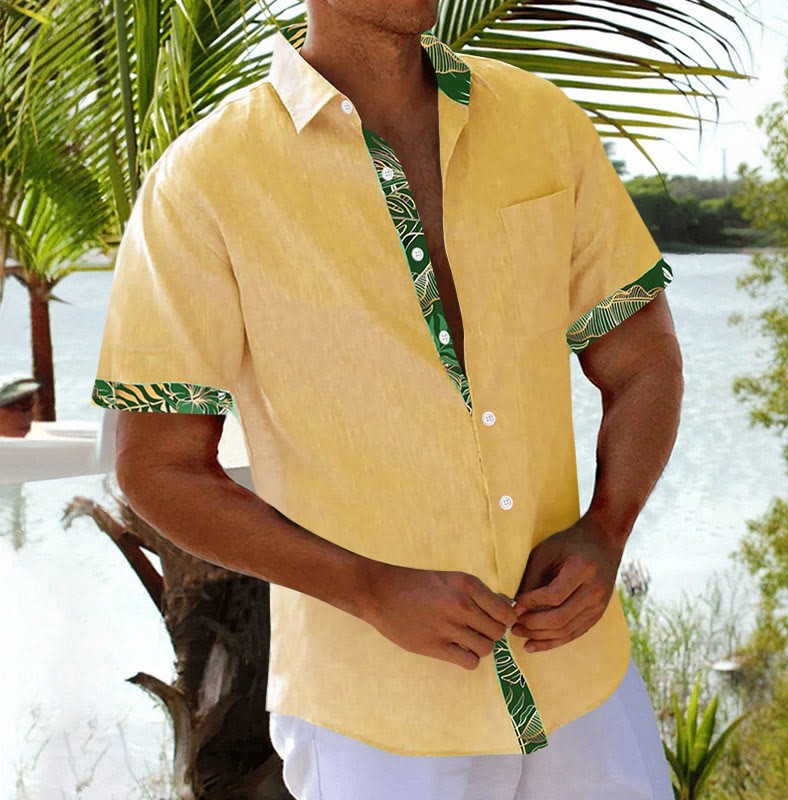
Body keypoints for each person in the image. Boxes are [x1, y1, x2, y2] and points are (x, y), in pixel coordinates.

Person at [90, 2, 684, 798]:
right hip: (373, 718)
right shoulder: (205, 180)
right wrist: (368, 589)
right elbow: (156, 465)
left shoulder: (541, 121)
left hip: (580, 678)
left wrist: (607, 527)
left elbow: (643, 360)